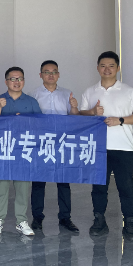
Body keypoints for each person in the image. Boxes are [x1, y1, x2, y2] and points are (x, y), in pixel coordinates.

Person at [79, 51, 133, 242]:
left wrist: (121, 120)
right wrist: (92, 112)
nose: (106, 69)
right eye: (103, 65)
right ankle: (99, 220)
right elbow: (81, 115)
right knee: (99, 187)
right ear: (97, 68)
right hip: (97, 148)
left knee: (126, 187)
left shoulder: (129, 91)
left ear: (117, 68)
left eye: (111, 66)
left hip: (123, 148)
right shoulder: (89, 92)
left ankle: (130, 224)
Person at [0, 66, 42, 237]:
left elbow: (40, 125)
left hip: (23, 151)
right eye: (13, 79)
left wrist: (25, 120)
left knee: (22, 187)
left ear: (24, 81)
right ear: (6, 82)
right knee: (1, 186)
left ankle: (21, 221)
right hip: (4, 149)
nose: (16, 82)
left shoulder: (31, 101)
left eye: (19, 78)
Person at [29, 60, 80, 233]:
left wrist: (74, 107)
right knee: (38, 182)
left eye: (54, 72)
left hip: (61, 143)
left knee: (63, 182)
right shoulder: (33, 95)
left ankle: (65, 217)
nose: (50, 75)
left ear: (58, 74)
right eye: (47, 72)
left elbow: (74, 118)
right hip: (41, 144)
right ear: (40, 75)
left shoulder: (67, 94)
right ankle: (37, 217)